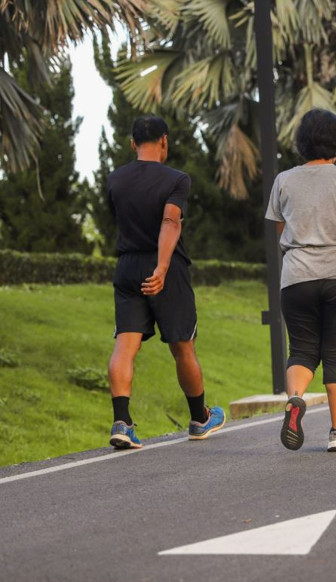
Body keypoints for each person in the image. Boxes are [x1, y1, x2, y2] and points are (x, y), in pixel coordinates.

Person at [105, 115, 225, 449]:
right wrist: (161, 267)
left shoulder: (115, 179)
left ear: (133, 143)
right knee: (183, 345)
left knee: (125, 345)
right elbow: (171, 221)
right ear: (164, 141)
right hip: (166, 267)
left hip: (127, 266)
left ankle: (122, 422)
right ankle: (200, 418)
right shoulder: (176, 179)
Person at [265, 109, 336, 452]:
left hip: (296, 277)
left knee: (301, 350)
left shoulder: (283, 180)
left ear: (302, 142)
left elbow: (281, 230)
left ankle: (295, 398)